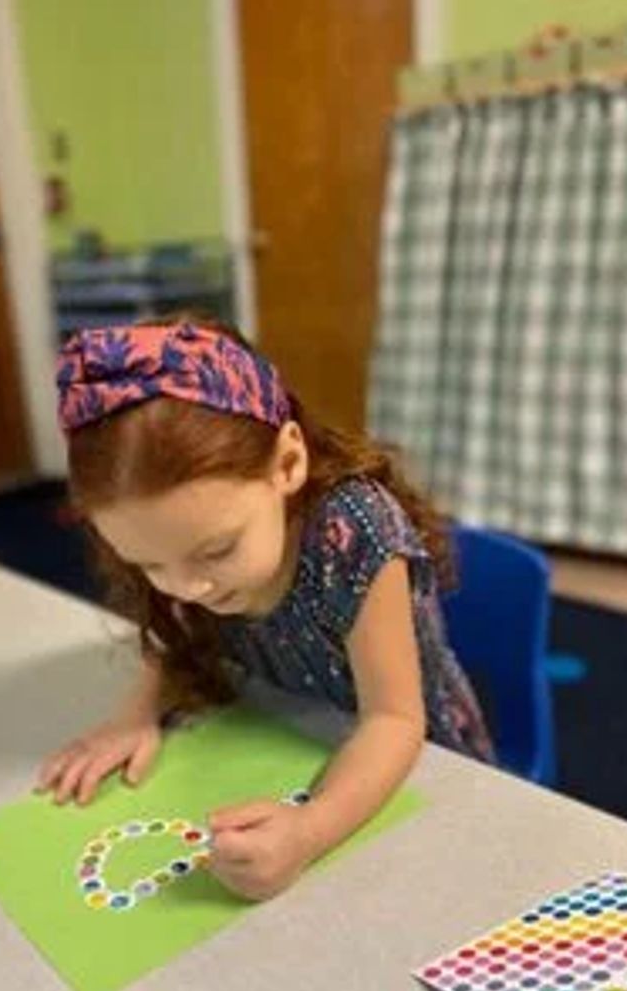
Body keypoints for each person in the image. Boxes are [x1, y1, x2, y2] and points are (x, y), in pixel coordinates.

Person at [39, 317, 492, 900]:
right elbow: (175, 627)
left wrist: (309, 831)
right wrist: (134, 715)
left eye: (218, 551)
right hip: (278, 729)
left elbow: (395, 721)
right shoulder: (180, 544)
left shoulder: (354, 529)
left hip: (424, 764)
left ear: (287, 464)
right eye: (149, 565)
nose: (186, 588)